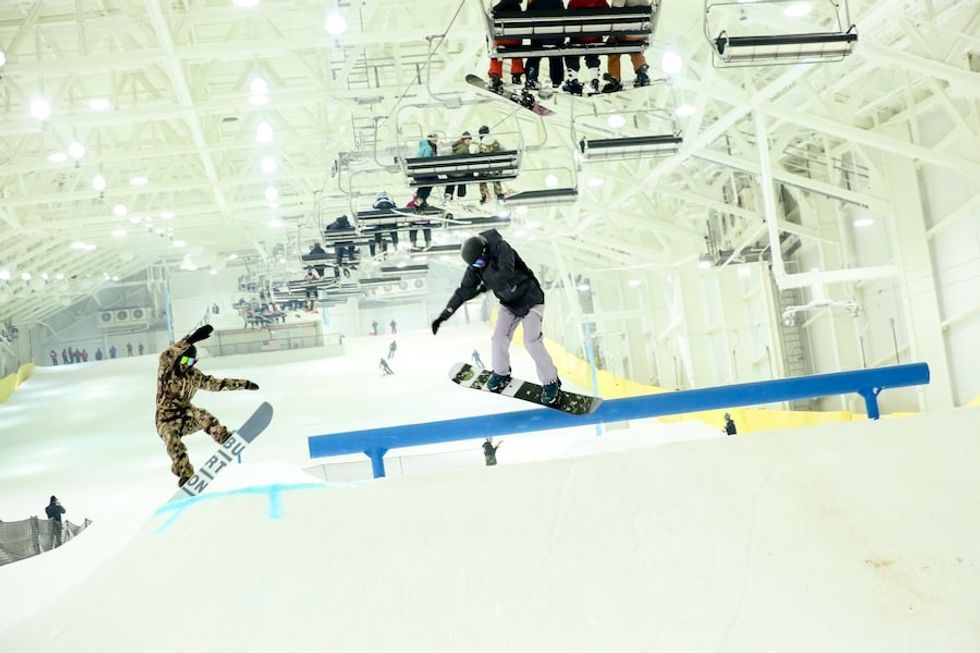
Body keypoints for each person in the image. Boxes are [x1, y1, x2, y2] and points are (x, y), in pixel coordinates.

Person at [431, 230, 562, 404]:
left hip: (531, 300)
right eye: (474, 265)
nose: (478, 266)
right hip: (509, 304)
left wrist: (482, 288)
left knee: (531, 341)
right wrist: (443, 316)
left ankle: (551, 381)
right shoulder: (476, 266)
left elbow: (505, 274)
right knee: (498, 338)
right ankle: (501, 373)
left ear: (484, 251)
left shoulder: (501, 248)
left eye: (478, 262)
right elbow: (463, 292)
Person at [155, 324, 259, 487]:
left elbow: (217, 384)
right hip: (165, 419)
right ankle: (184, 472)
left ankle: (222, 436)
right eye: (184, 360)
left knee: (201, 414)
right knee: (172, 441)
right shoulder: (167, 371)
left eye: (191, 362)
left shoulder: (194, 376)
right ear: (178, 359)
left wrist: (244, 384)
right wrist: (191, 339)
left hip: (186, 416)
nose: (187, 365)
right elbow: (166, 355)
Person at [603, 0, 652, 92]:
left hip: (628, 32)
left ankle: (614, 77)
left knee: (612, 47)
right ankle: (641, 69)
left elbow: (616, 10)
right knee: (635, 49)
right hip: (643, 32)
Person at [562, 0, 608, 95]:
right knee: (592, 51)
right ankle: (594, 78)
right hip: (595, 37)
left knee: (571, 51)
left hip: (578, 37)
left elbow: (569, 19)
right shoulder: (601, 1)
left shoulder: (574, 2)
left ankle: (573, 80)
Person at [524, 0, 566, 92]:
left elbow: (526, 19)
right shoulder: (558, 2)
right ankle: (556, 80)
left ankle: (531, 78)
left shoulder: (534, 3)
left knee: (534, 53)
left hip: (538, 38)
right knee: (556, 54)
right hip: (556, 38)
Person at [488, 0, 526, 92]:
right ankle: (516, 76)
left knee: (496, 53)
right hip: (515, 41)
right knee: (517, 53)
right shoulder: (517, 7)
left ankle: (495, 75)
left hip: (501, 41)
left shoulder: (500, 6)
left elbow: (491, 15)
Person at [477, 126, 506, 205]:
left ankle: (484, 195)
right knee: (496, 177)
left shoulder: (481, 144)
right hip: (496, 168)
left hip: (485, 169)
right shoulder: (495, 142)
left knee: (481, 178)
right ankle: (499, 193)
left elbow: (476, 154)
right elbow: (504, 150)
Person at [444, 132, 474, 202]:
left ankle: (448, 194)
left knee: (452, 181)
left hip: (451, 173)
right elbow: (468, 162)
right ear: (464, 140)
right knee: (464, 177)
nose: (469, 142)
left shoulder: (455, 147)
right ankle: (461, 195)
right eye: (468, 140)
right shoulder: (465, 148)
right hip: (461, 173)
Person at [412, 133, 439, 212]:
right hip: (424, 173)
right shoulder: (428, 148)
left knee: (423, 187)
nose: (436, 140)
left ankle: (419, 202)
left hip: (419, 173)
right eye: (434, 138)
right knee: (427, 187)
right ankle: (419, 202)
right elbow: (427, 160)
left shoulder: (424, 147)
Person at [370, 191, 400, 256]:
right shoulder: (391, 202)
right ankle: (395, 244)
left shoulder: (376, 203)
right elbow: (396, 209)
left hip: (380, 224)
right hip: (391, 223)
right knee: (394, 229)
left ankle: (379, 244)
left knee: (377, 229)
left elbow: (373, 210)